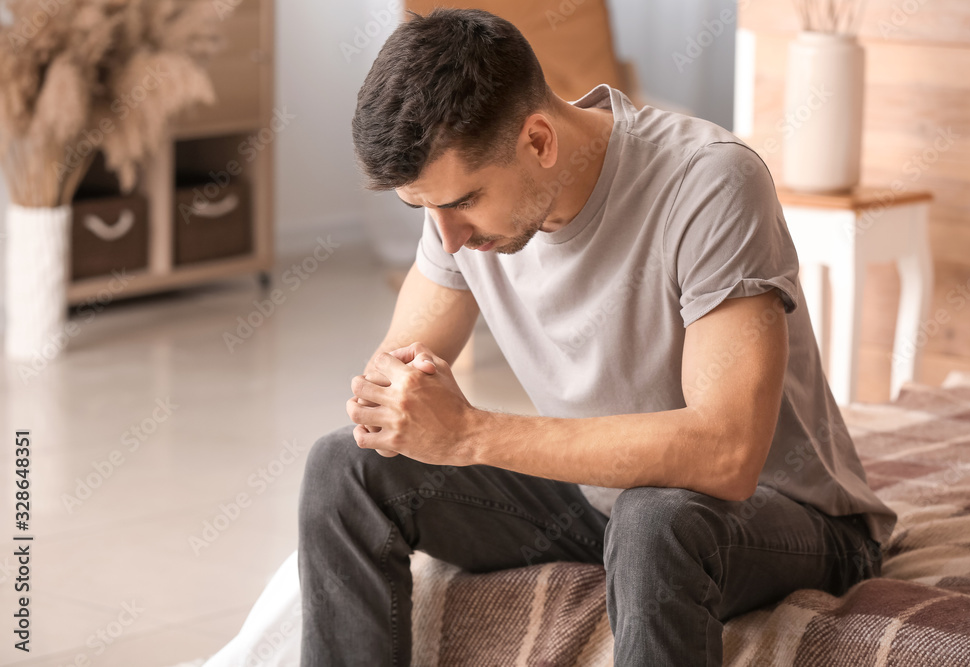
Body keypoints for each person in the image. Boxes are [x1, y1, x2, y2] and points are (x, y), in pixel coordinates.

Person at [298, 8, 896, 665]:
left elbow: (727, 452)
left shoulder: (710, 182)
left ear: (538, 141)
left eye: (463, 200)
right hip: (602, 501)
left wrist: (469, 431)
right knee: (345, 467)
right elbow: (394, 394)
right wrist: (397, 405)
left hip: (784, 515)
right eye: (422, 208)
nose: (446, 237)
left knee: (655, 520)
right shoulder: (456, 218)